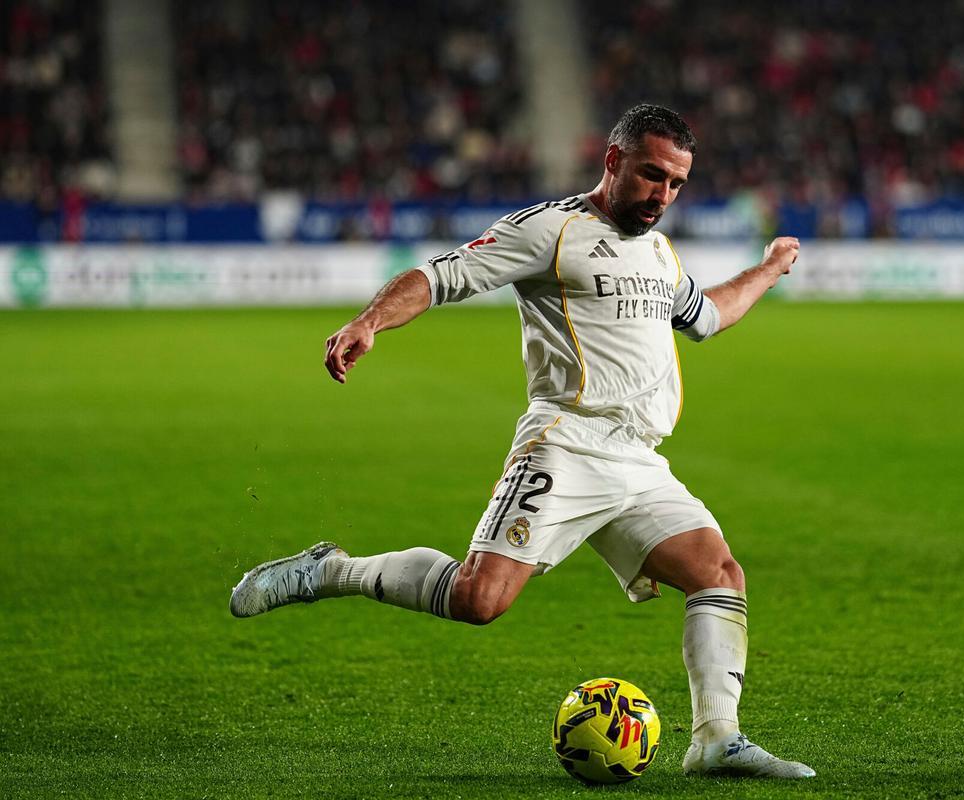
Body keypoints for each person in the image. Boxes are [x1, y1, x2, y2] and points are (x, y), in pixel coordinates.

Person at [230, 104, 812, 779]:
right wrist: (370, 322)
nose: (663, 195)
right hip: (566, 443)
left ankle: (717, 738)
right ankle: (333, 569)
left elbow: (707, 317)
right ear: (614, 160)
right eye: (652, 175)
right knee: (479, 600)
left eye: (677, 183)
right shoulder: (551, 230)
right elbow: (441, 275)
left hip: (637, 459)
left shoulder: (657, 250)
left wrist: (769, 268)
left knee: (718, 574)